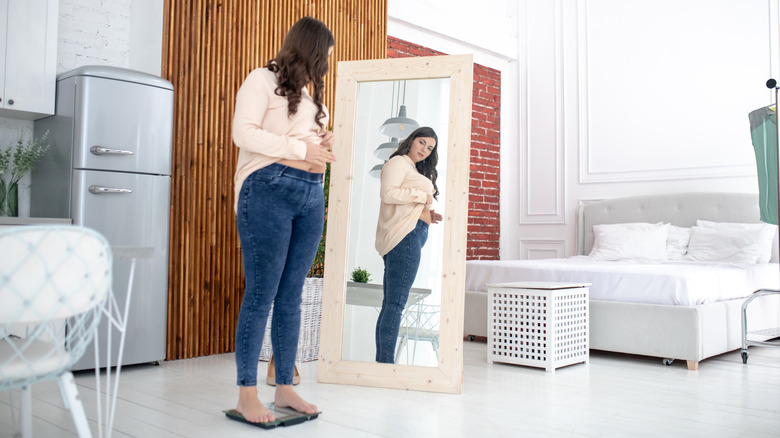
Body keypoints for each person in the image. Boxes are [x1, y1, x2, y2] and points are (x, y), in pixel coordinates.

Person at [231, 16, 336, 423]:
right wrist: (299, 148)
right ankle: (245, 394)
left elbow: (309, 146)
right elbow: (244, 133)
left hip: (310, 195)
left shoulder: (311, 100)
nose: (324, 65)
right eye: (322, 56)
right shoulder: (261, 79)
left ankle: (286, 388)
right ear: (307, 48)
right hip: (268, 188)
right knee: (261, 295)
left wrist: (324, 140)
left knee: (291, 297)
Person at [374, 126, 443, 363]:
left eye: (430, 147)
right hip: (405, 237)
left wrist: (425, 214)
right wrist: (422, 197)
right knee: (395, 304)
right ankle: (386, 364)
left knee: (390, 304)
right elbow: (388, 194)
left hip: (412, 232)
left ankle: (382, 363)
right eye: (422, 142)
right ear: (412, 140)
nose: (425, 149)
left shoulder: (412, 168)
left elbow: (403, 200)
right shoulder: (398, 163)